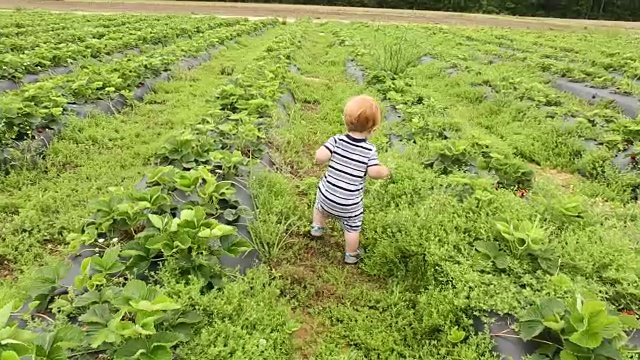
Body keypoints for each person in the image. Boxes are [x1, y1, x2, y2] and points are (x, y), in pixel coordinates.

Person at [310, 95, 390, 264]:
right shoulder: (369, 151)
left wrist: (320, 155)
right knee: (353, 228)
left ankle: (317, 227)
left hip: (327, 196)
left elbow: (320, 156)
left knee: (319, 204)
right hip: (349, 205)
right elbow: (374, 172)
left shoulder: (336, 141)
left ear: (344, 120)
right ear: (373, 129)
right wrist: (384, 171)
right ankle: (351, 255)